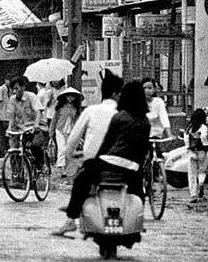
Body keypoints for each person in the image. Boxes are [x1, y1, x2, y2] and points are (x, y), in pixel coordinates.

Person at [53, 80, 150, 236]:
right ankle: (136, 224)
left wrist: (82, 157)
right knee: (138, 191)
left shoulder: (117, 116)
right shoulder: (145, 120)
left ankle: (71, 217)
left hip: (109, 162)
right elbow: (143, 148)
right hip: (133, 168)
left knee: (81, 181)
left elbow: (107, 143)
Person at [65, 70, 124, 166]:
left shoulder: (90, 111)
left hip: (92, 161)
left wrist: (70, 154)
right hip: (117, 163)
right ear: (116, 94)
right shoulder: (123, 114)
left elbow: (74, 137)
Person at [6, 75, 45, 168]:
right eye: (13, 89)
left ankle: (41, 165)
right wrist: (10, 128)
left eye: (17, 88)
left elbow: (38, 111)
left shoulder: (31, 96)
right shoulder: (12, 99)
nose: (15, 91)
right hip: (20, 128)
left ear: (23, 87)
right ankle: (16, 173)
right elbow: (11, 115)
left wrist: (36, 124)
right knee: (14, 149)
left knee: (34, 146)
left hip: (33, 127)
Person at [49, 87, 83, 176]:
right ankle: (62, 169)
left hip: (71, 131)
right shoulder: (59, 108)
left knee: (69, 150)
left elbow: (78, 121)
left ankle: (68, 169)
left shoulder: (76, 109)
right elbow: (54, 120)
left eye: (72, 97)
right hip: (60, 130)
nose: (70, 98)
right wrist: (51, 133)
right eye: (69, 96)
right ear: (65, 97)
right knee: (62, 149)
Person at [183, 108, 208, 203]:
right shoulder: (203, 126)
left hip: (191, 152)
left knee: (191, 174)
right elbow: (203, 136)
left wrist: (188, 148)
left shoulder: (189, 127)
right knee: (202, 171)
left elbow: (186, 139)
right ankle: (201, 183)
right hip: (201, 152)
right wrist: (206, 146)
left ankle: (193, 195)